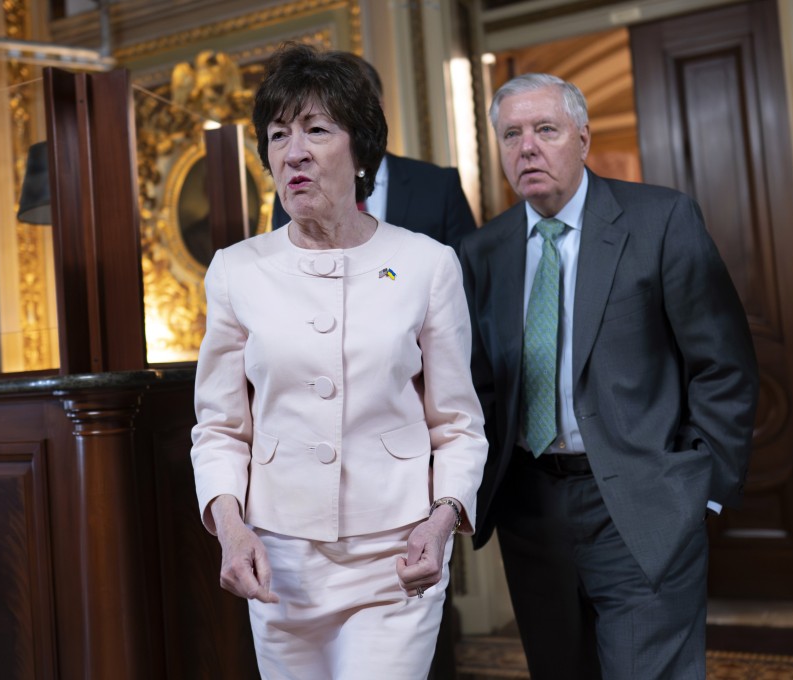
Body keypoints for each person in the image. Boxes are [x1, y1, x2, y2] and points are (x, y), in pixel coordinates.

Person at [190, 43, 487, 679]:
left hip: (396, 556)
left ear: (361, 152)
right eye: (277, 135)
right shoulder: (236, 271)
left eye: (316, 130)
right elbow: (219, 427)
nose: (292, 151)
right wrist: (232, 530)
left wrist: (440, 524)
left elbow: (457, 423)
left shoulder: (427, 263)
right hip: (280, 563)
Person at [459, 73, 759, 679]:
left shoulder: (661, 219)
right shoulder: (480, 252)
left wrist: (698, 488)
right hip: (529, 509)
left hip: (643, 502)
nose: (528, 148)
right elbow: (480, 385)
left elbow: (723, 365)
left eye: (546, 129)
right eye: (511, 134)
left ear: (583, 138)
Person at [271, 52, 477, 252]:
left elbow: (465, 274)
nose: (295, 154)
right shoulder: (294, 193)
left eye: (317, 129)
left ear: (375, 111)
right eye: (279, 134)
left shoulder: (440, 186)